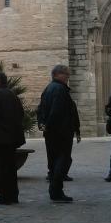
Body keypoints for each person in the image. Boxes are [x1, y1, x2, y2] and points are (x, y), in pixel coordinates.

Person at [37, 65, 80, 202]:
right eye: (66, 74)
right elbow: (57, 112)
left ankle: (55, 190)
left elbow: (41, 109)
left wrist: (43, 125)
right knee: (63, 160)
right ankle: (56, 191)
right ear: (58, 74)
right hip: (60, 132)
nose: (68, 77)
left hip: (51, 133)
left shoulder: (48, 89)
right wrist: (49, 126)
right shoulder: (60, 90)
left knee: (54, 161)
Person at [0, 71, 25, 205]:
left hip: (1, 138)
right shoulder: (12, 94)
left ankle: (4, 196)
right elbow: (21, 113)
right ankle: (13, 195)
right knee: (11, 168)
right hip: (12, 137)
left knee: (1, 168)